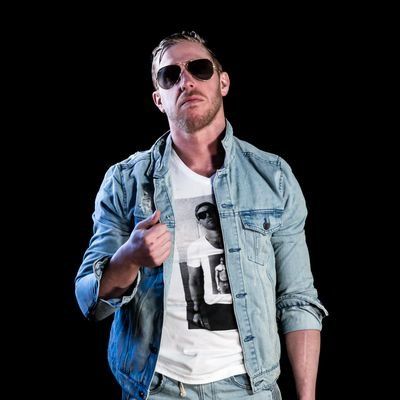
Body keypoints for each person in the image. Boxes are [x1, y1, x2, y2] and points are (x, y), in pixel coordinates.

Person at [75, 31, 328, 400]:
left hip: (248, 389)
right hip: (157, 388)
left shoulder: (272, 177)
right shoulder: (126, 181)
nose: (186, 81)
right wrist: (129, 257)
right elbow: (89, 300)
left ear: (223, 82)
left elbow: (297, 298)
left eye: (199, 68)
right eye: (170, 76)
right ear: (159, 99)